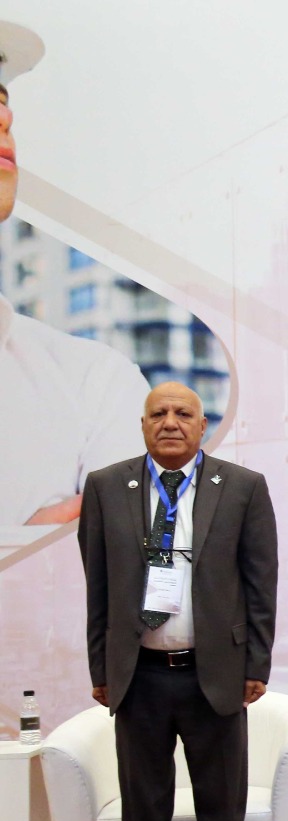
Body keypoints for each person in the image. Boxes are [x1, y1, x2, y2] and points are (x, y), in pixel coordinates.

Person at [79, 382, 278, 821]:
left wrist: (256, 664)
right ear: (143, 424)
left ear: (202, 425)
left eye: (183, 413)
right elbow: (97, 586)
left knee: (222, 805)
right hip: (138, 674)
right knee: (144, 807)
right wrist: (101, 666)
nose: (170, 422)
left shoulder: (241, 486)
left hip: (214, 673)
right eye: (159, 413)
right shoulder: (106, 487)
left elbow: (261, 584)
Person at [0, 20, 149, 549]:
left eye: (3, 100)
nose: (5, 116)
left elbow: (138, 565)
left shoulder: (95, 382)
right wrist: (27, 546)